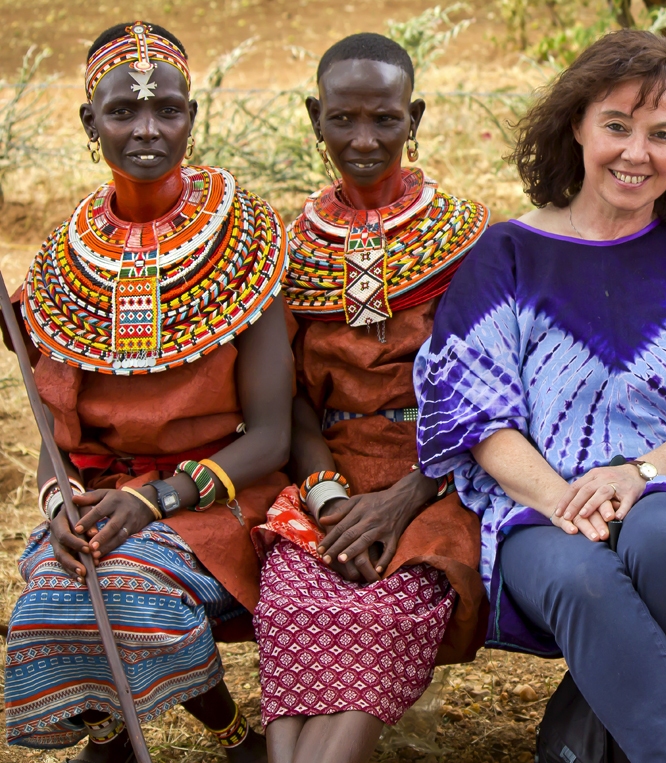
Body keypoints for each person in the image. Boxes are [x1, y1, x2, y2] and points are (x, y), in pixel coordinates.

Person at [415, 30, 666, 763]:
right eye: (616, 126)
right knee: (581, 574)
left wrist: (638, 474)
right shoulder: (508, 254)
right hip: (536, 504)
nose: (635, 152)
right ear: (577, 127)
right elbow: (477, 416)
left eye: (662, 134)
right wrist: (562, 499)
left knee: (664, 539)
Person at [2, 21, 291, 763]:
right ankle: (106, 732)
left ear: (193, 116)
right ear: (88, 122)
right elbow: (56, 437)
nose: (147, 128)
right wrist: (57, 506)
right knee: (51, 593)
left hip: (220, 499)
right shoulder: (66, 260)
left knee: (129, 588)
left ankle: (233, 736)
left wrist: (158, 499)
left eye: (167, 108)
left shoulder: (244, 232)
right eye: (122, 111)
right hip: (104, 498)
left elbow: (271, 435)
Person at [252, 33, 490, 763]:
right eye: (342, 119)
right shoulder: (286, 245)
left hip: (444, 477)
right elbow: (289, 398)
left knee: (387, 611)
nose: (364, 139)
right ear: (313, 118)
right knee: (294, 602)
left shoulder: (469, 239)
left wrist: (405, 497)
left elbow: (492, 391)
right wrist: (327, 501)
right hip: (328, 472)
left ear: (413, 117)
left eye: (385, 119)